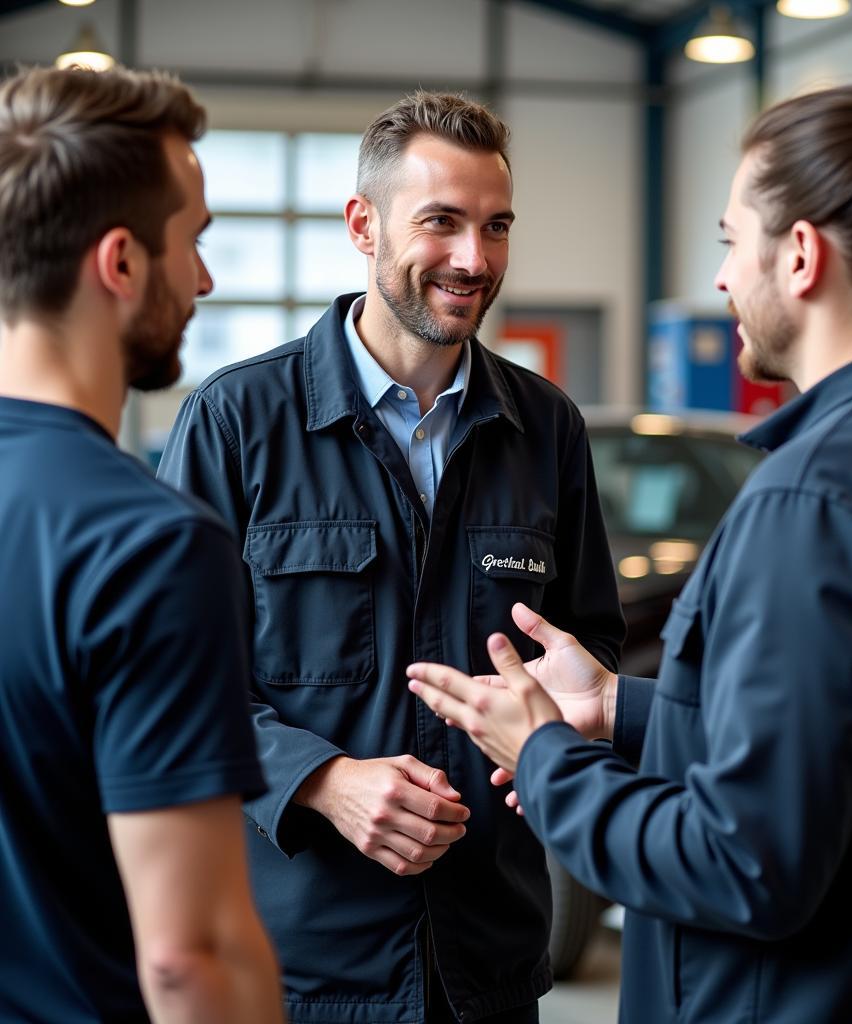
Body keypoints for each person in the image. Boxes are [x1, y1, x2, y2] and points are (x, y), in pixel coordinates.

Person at [407, 67, 852, 1023]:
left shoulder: (814, 499)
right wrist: (622, 710)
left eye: (734, 243)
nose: (724, 277)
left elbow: (743, 861)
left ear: (803, 257)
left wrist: (542, 758)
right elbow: (848, 756)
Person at [157, 90, 625, 1023]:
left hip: (487, 966)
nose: (475, 259)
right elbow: (170, 685)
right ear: (362, 226)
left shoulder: (547, 430)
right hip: (300, 971)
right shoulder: (238, 423)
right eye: (442, 223)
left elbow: (588, 652)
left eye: (496, 227)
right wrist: (323, 782)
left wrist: (566, 735)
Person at [0, 66, 284, 1024]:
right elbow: (188, 958)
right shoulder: (147, 547)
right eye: (193, 243)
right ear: (120, 263)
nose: (203, 280)